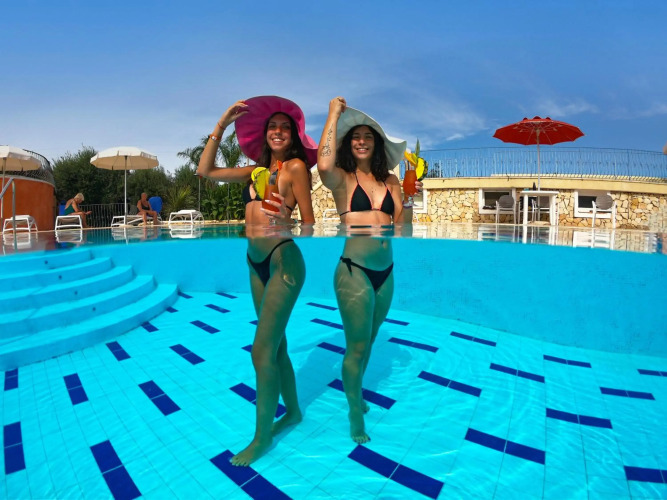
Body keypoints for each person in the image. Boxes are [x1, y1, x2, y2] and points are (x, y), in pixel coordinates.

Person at [197, 95, 317, 466]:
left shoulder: (295, 167)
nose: (278, 132)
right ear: (264, 134)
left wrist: (288, 219)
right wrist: (221, 124)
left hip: (283, 260)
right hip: (254, 263)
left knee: (260, 352)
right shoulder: (255, 172)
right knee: (276, 348)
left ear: (293, 135)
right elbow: (206, 171)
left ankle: (262, 438)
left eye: (285, 127)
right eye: (272, 127)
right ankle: (293, 413)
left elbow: (310, 224)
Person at [317, 97, 418, 444]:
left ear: (377, 144)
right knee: (357, 347)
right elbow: (323, 163)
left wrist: (410, 197)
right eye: (356, 136)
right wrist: (333, 114)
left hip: (385, 273)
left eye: (368, 137)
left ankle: (355, 390)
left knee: (369, 341)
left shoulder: (390, 181)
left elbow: (402, 228)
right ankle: (354, 413)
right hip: (354, 270)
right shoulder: (342, 179)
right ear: (349, 143)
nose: (361, 141)